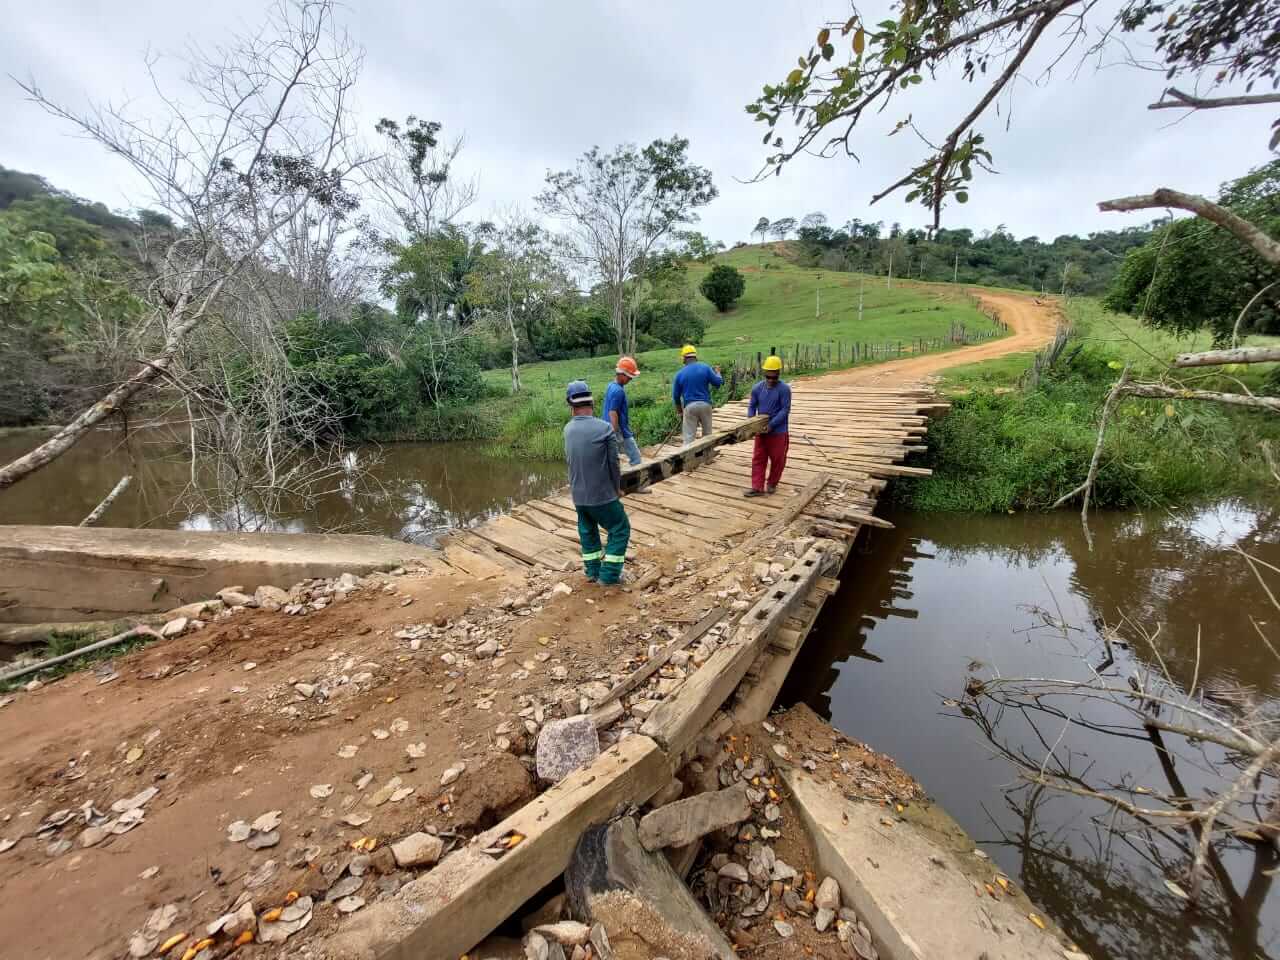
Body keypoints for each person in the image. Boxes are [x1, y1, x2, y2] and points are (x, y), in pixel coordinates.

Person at [563, 380, 631, 585]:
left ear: (571, 406)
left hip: (579, 496)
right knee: (620, 528)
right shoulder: (604, 429)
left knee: (588, 531)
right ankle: (609, 576)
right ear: (592, 403)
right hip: (602, 495)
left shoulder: (567, 430)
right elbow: (613, 463)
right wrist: (617, 487)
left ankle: (592, 571)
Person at [744, 356, 791, 497]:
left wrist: (771, 425)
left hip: (778, 432)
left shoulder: (784, 390)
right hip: (761, 431)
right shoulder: (757, 388)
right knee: (758, 458)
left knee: (778, 459)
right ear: (764, 374)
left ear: (778, 374)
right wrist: (751, 422)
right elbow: (752, 406)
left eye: (774, 377)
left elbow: (785, 410)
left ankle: (772, 483)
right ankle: (757, 487)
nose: (771, 380)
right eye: (768, 377)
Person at [671, 344, 723, 445]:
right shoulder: (705, 368)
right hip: (705, 405)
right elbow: (718, 383)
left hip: (690, 407)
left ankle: (687, 458)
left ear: (684, 358)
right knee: (707, 436)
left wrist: (680, 413)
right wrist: (718, 373)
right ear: (695, 357)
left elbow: (676, 397)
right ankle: (708, 460)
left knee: (688, 438)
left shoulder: (680, 374)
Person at [604, 356, 643, 466]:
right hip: (620, 431)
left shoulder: (611, 386)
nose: (630, 379)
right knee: (636, 460)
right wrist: (616, 433)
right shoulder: (618, 391)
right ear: (621, 374)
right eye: (629, 376)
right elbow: (612, 412)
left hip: (610, 429)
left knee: (612, 460)